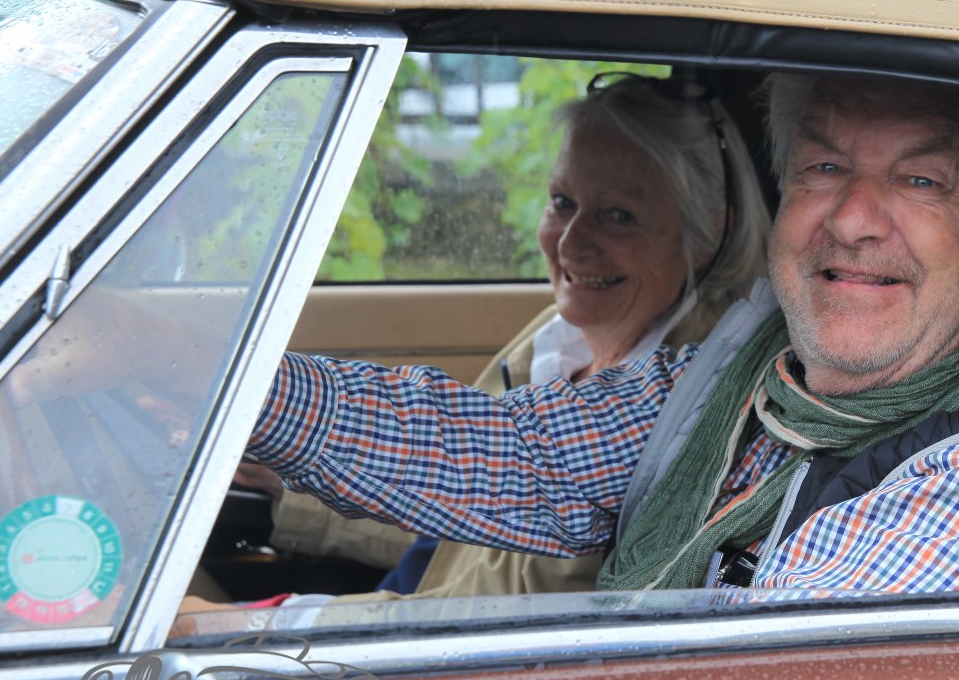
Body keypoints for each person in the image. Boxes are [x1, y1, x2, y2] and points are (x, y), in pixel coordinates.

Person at [246, 74, 959, 593]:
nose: (853, 219)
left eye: (922, 179)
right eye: (825, 167)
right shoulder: (755, 375)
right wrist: (242, 390)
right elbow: (522, 454)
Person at [266, 70, 771, 598]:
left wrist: (278, 619)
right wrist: (283, 495)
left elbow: (506, 611)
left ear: (709, 230)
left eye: (619, 216)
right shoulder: (553, 335)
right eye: (563, 202)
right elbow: (460, 516)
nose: (570, 245)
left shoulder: (686, 408)